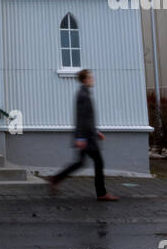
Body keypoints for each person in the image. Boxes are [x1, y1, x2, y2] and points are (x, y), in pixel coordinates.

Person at [47, 68, 117, 201]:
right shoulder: (83, 95)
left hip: (88, 136)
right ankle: (101, 193)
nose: (92, 79)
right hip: (87, 139)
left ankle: (56, 178)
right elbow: (81, 118)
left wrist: (96, 132)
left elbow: (87, 118)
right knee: (98, 162)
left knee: (80, 162)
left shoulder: (84, 94)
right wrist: (80, 137)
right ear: (85, 80)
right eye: (90, 77)